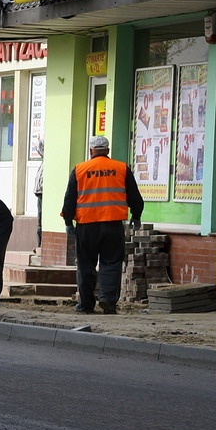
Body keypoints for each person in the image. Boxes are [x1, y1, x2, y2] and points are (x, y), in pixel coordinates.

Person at [62, 135, 144, 315]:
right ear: (107, 150)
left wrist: (68, 222)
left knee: (85, 265)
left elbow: (69, 199)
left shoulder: (79, 170)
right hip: (113, 224)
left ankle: (86, 305)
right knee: (111, 263)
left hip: (86, 225)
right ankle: (108, 301)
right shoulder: (121, 168)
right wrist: (136, 216)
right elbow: (135, 197)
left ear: (91, 151)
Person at [33, 138, 44, 247]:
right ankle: (39, 245)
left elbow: (40, 147)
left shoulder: (47, 162)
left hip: (44, 194)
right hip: (40, 193)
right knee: (39, 219)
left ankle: (41, 245)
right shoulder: (43, 163)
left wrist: (40, 139)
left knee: (41, 219)